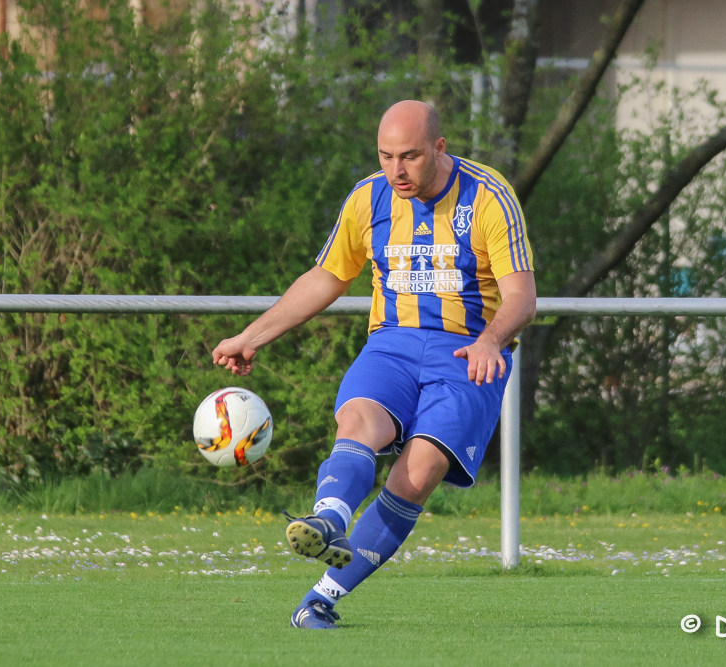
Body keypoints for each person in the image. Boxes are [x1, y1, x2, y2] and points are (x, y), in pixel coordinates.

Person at [212, 99, 536, 629]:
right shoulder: (368, 198)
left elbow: (522, 295)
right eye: (385, 156)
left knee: (421, 468)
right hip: (393, 345)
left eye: (408, 156)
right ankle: (331, 517)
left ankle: (321, 598)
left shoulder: (487, 197)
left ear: (439, 147)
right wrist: (252, 335)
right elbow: (326, 277)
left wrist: (491, 341)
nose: (396, 170)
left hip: (467, 354)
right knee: (358, 420)